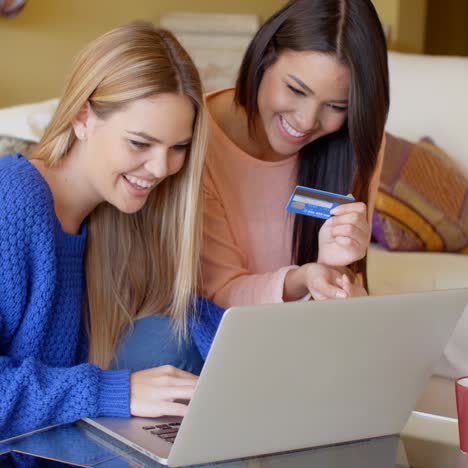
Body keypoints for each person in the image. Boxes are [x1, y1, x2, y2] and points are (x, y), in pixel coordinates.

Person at [0, 20, 220, 440]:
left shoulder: (118, 212)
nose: (160, 169)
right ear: (83, 117)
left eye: (177, 148)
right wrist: (113, 391)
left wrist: (290, 297)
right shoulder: (12, 202)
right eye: (140, 143)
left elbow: (181, 316)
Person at [201, 0, 389, 308]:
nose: (305, 121)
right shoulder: (197, 139)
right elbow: (217, 294)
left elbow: (345, 286)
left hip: (308, 332)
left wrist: (335, 275)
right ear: (265, 57)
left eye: (336, 106)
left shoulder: (353, 141)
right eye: (296, 90)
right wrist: (302, 279)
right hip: (215, 336)